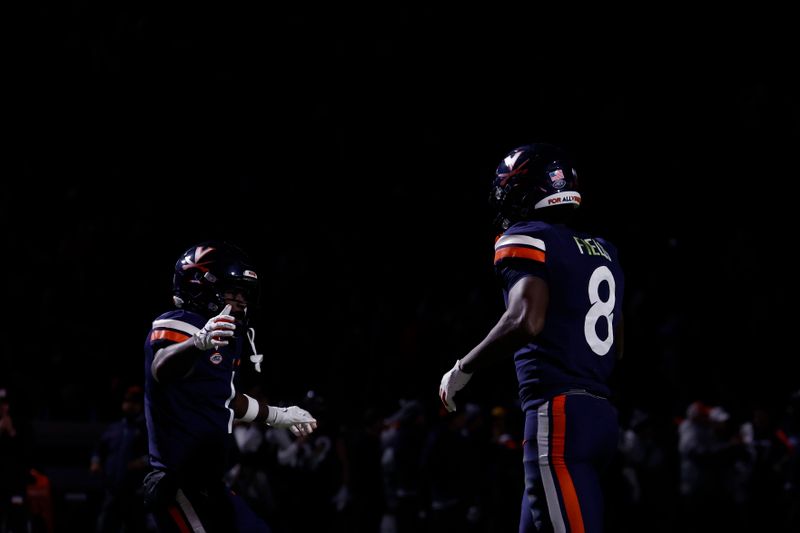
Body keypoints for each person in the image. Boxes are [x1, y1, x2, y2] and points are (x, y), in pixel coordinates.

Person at [439, 143, 624, 533]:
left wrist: (463, 368)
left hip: (558, 415)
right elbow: (616, 346)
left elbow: (526, 320)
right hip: (600, 417)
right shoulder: (603, 250)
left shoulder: (526, 236)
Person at [142, 240, 318, 532]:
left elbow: (226, 399)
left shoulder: (224, 337)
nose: (240, 299)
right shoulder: (181, 322)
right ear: (199, 285)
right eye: (231, 290)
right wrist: (197, 343)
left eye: (244, 293)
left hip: (210, 484)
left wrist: (277, 415)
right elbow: (162, 368)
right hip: (177, 483)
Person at [89, 385, 149, 533]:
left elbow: (157, 454)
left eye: (134, 402)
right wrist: (95, 462)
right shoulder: (114, 428)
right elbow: (98, 449)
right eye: (127, 401)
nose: (129, 405)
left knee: (134, 527)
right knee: (105, 526)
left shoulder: (146, 429)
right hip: (112, 489)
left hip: (135, 492)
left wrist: (143, 461)